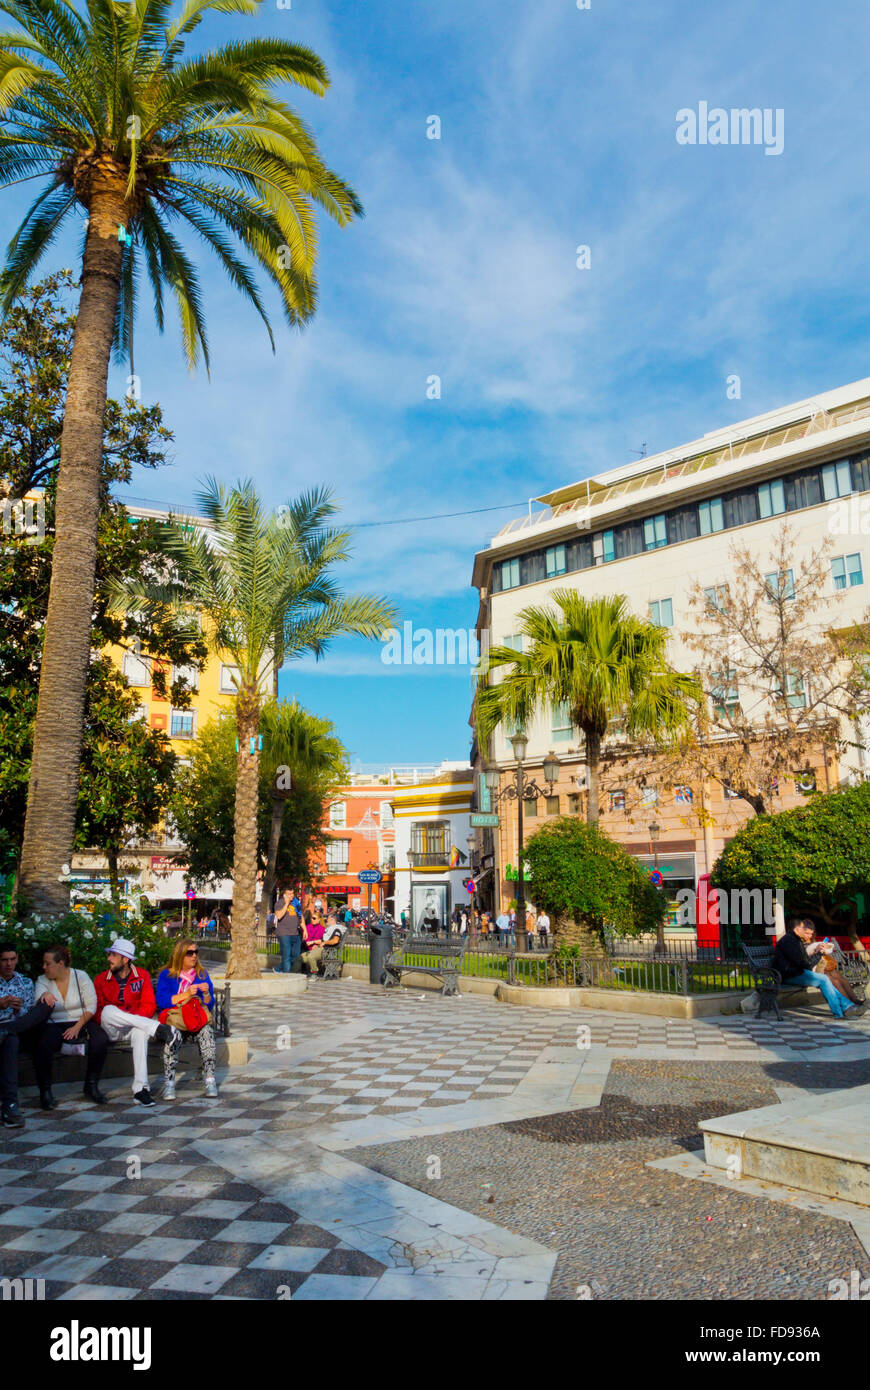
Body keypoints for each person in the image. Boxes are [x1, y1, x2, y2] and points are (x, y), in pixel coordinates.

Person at [94, 939, 180, 1106]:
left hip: (134, 1027)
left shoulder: (142, 975)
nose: (109, 958)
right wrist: (127, 1019)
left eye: (113, 955)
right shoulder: (101, 980)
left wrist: (133, 1021)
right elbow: (97, 1012)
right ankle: (158, 1029)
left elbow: (148, 1005)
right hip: (110, 1028)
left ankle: (141, 1090)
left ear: (125, 959)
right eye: (109, 954)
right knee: (107, 1011)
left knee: (141, 1033)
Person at [33, 946, 111, 1106]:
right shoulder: (43, 980)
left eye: (48, 964)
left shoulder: (80, 976)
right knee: (43, 1043)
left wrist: (77, 1027)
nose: (44, 967)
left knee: (101, 1040)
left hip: (81, 1020)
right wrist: (44, 995)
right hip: (54, 1023)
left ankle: (91, 1086)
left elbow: (91, 1005)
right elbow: (38, 1000)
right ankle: (45, 1091)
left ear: (60, 964)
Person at [155, 940, 219, 1100]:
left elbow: (209, 1005)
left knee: (207, 1033)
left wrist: (205, 995)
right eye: (189, 953)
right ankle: (169, 1083)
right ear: (180, 955)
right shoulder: (167, 975)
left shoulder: (202, 974)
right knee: (173, 1036)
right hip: (176, 1021)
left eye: (196, 952)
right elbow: (162, 1001)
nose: (194, 956)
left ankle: (210, 1080)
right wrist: (187, 994)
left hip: (195, 1020)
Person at [0, 941, 55, 1124]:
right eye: (4, 960)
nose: (9, 964)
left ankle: (8, 1031)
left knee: (46, 1004)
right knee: (11, 1041)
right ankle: (10, 1107)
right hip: (7, 1035)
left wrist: (17, 1010)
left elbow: (31, 1015)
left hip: (20, 1027)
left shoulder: (25, 982)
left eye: (12, 959)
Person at [772, 918, 866, 1019]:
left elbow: (804, 962)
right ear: (798, 929)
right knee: (824, 979)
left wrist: (818, 952)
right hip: (787, 975)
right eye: (805, 931)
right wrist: (820, 954)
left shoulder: (795, 940)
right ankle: (842, 1011)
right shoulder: (789, 941)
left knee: (825, 980)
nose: (808, 934)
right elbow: (805, 964)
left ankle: (846, 1008)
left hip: (795, 972)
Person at [273, 886, 302, 973]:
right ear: (284, 895)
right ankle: (287, 975)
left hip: (295, 933)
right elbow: (279, 916)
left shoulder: (296, 903)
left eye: (292, 893)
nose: (291, 896)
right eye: (289, 894)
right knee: (286, 956)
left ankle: (278, 968)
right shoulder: (279, 903)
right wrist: (286, 903)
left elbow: (300, 916)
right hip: (284, 933)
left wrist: (304, 928)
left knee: (296, 956)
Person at [294, 911, 329, 978]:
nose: (312, 919)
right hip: (307, 947)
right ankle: (294, 973)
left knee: (310, 956)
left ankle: (314, 973)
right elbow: (305, 937)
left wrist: (315, 943)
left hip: (315, 948)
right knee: (299, 956)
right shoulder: (308, 926)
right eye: (311, 918)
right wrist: (307, 941)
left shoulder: (322, 929)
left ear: (319, 920)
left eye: (314, 918)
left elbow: (322, 941)